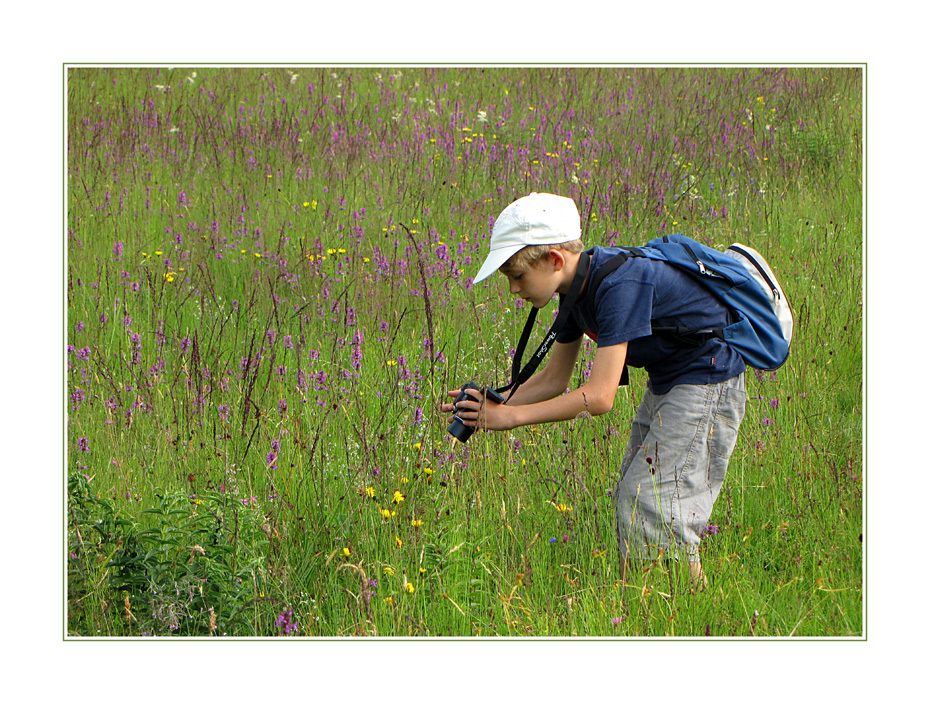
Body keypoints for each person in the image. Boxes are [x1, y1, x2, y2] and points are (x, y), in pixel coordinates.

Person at [441, 192, 747, 587]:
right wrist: (492, 402)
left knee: (653, 501)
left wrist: (510, 417)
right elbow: (555, 380)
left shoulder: (619, 284)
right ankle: (647, 603)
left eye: (517, 276)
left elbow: (601, 397)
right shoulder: (575, 291)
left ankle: (673, 608)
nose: (513, 289)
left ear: (554, 260)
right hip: (672, 380)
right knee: (639, 498)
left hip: (708, 376)